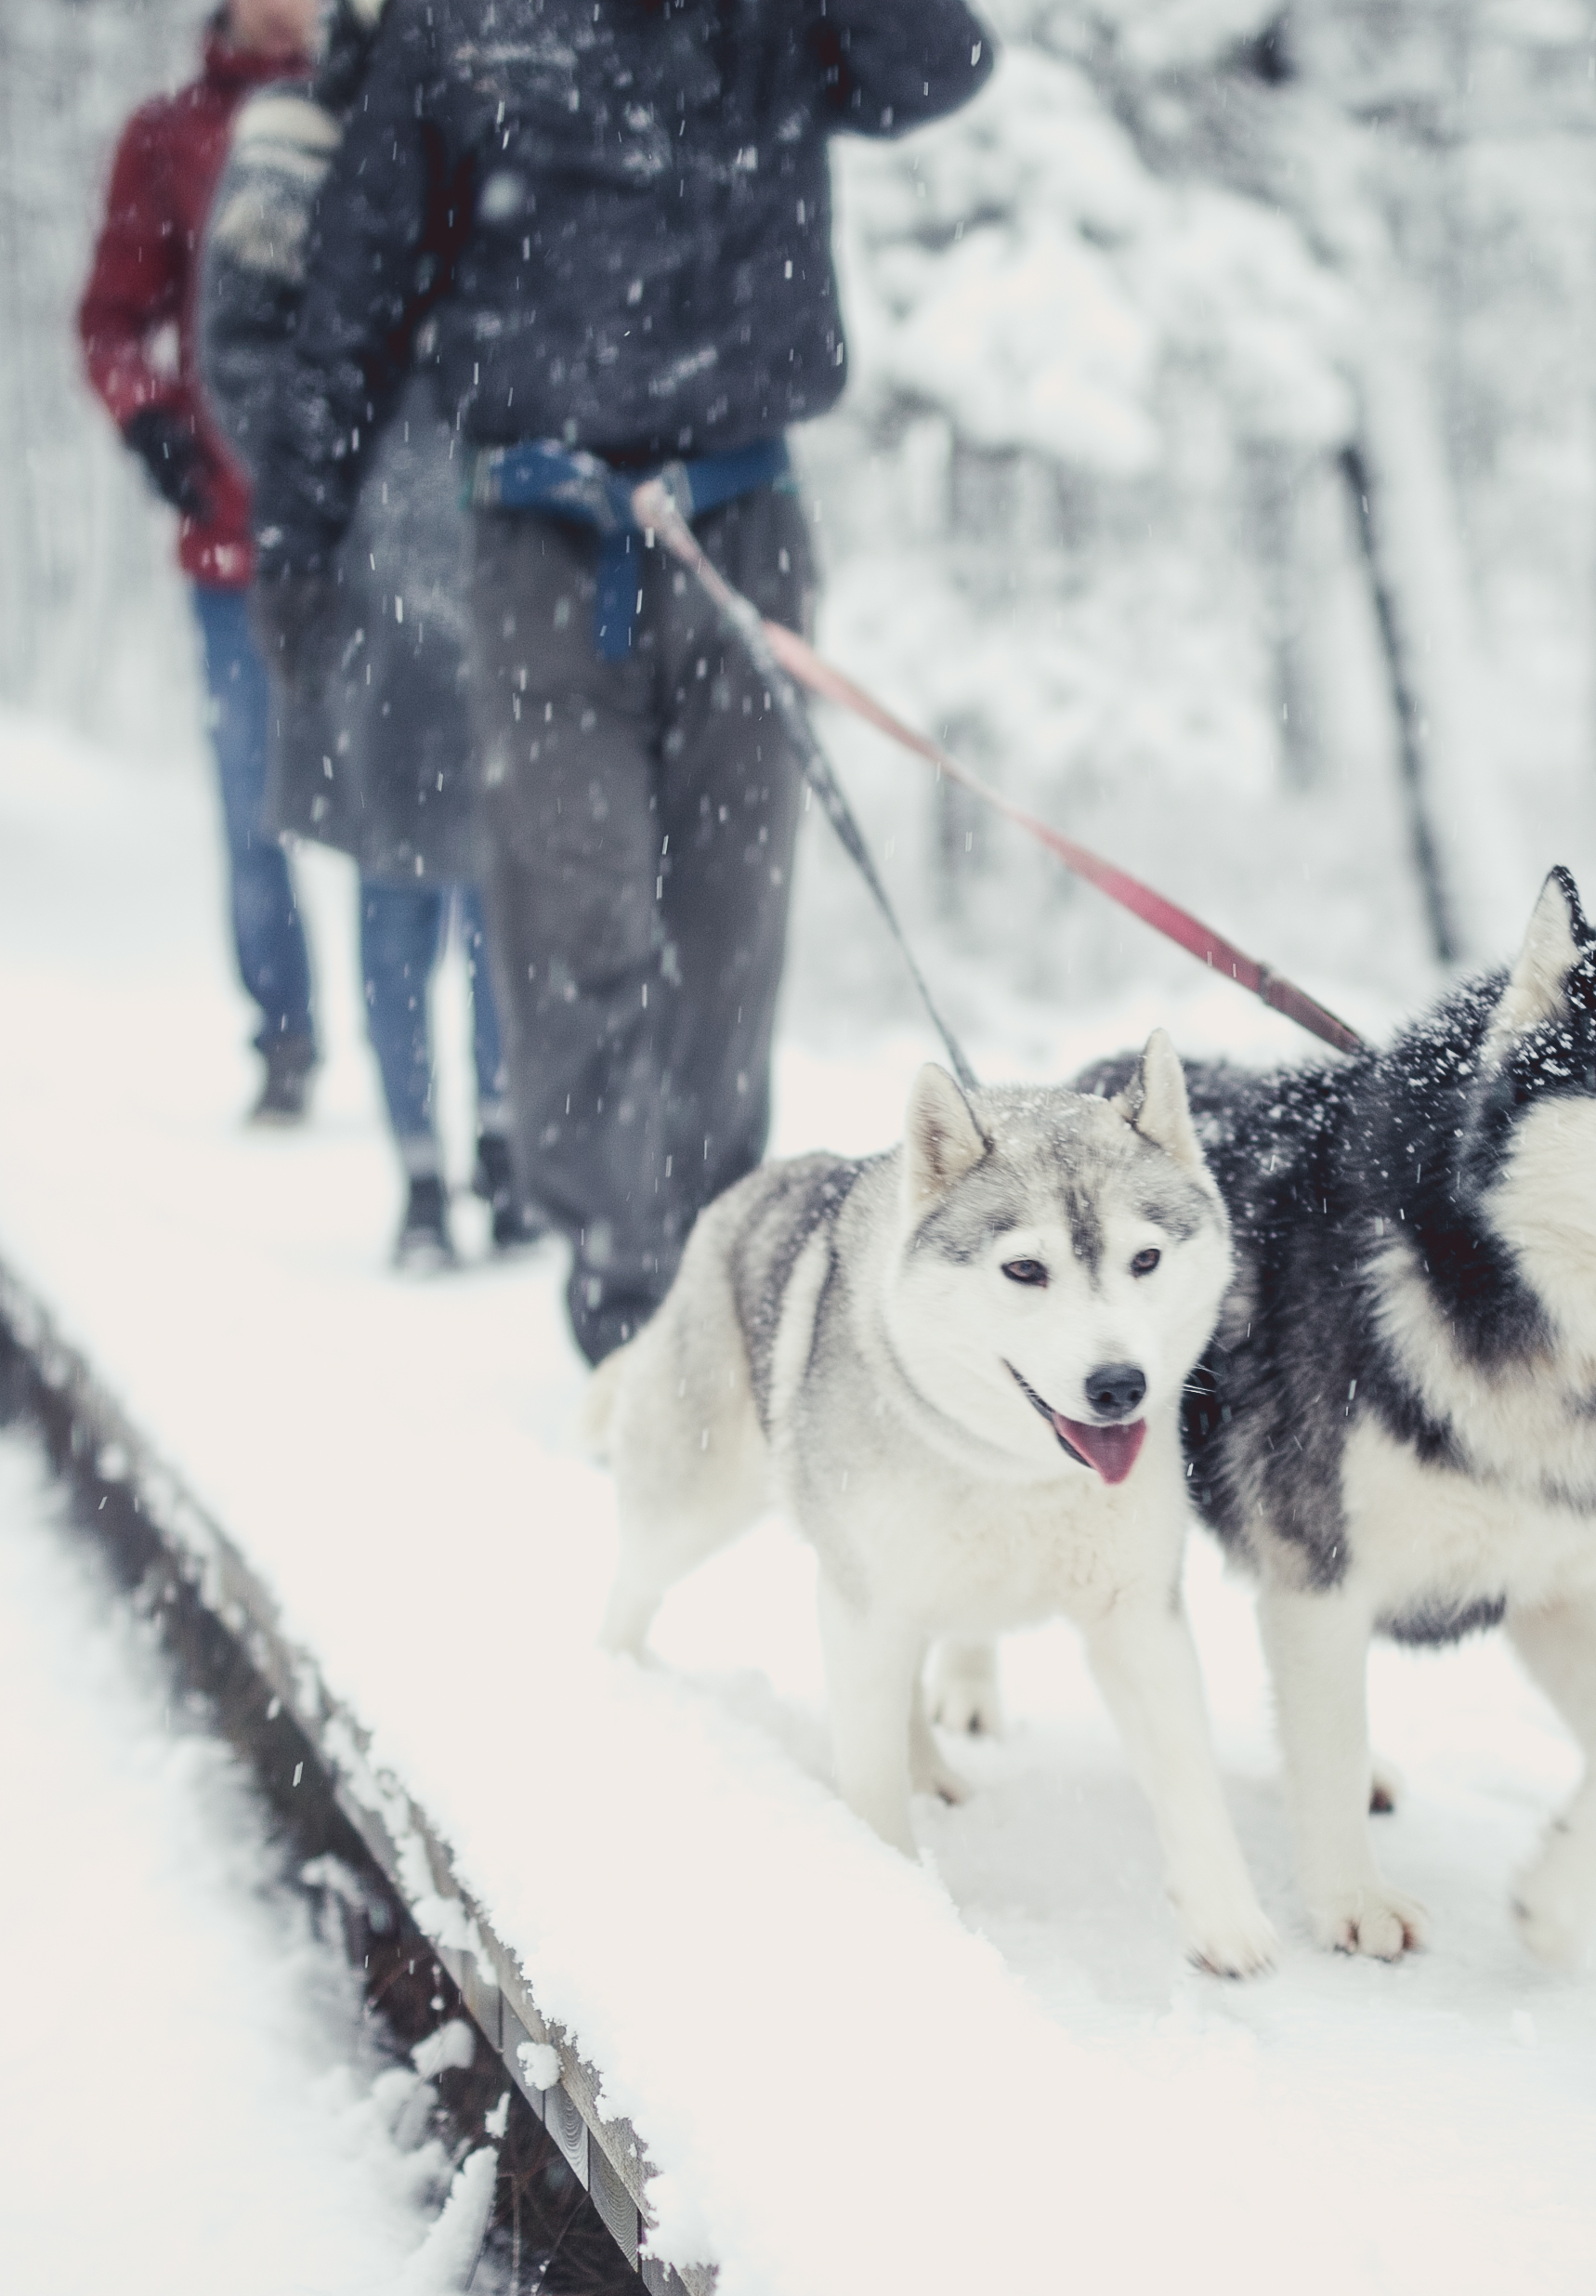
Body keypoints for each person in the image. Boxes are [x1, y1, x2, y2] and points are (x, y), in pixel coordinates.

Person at [231, 0, 994, 1358]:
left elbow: (936, 65)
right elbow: (354, 296)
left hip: (741, 522)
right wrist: (298, 539)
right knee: (576, 918)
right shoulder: (457, 28)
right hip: (540, 542)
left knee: (727, 934)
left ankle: (712, 1266)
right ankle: (624, 1270)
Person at [200, 3, 525, 1272]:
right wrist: (354, 472)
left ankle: (506, 1137)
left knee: (509, 862)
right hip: (362, 564)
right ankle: (422, 1176)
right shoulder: (297, 128)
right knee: (398, 872)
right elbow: (240, 348)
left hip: (506, 544)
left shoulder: (509, 97)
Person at [78, 0, 321, 1123]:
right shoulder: (167, 136)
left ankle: (433, 1078)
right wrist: (152, 424)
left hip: (369, 541)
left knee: (408, 799)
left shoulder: (376, 101)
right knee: (253, 804)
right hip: (232, 539)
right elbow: (113, 321)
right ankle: (282, 1033)